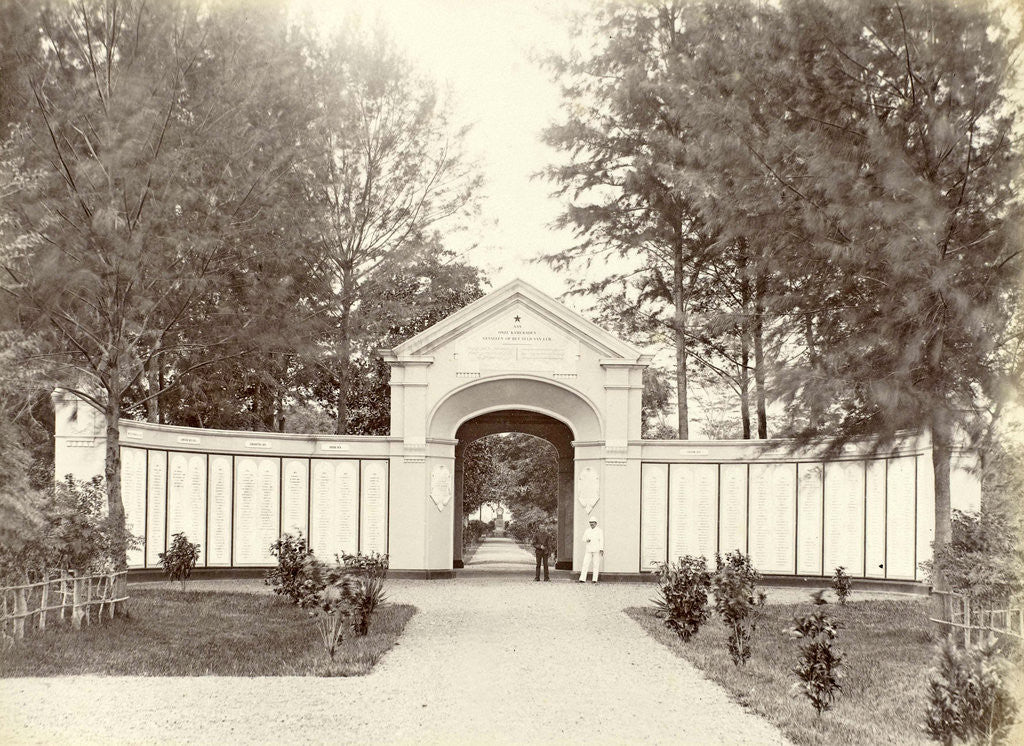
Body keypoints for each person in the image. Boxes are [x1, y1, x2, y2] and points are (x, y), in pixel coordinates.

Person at [578, 517, 604, 583]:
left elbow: (601, 540)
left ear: (596, 523)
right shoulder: (587, 530)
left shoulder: (599, 531)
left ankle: (594, 579)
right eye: (590, 522)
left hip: (596, 550)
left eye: (593, 522)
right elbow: (583, 538)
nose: (591, 524)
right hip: (588, 550)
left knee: (596, 564)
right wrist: (586, 540)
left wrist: (601, 549)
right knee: (585, 564)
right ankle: (582, 579)